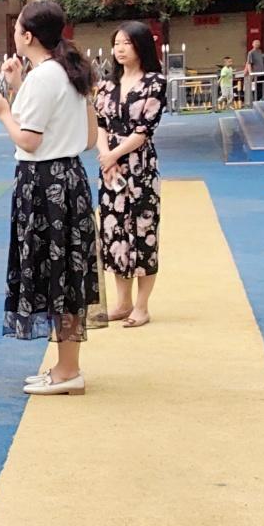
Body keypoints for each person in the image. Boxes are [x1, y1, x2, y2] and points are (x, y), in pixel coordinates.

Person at [0, 1, 102, 397]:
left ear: (28, 35)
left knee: (55, 274)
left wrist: (2, 110)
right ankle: (66, 366)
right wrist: (18, 86)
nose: (15, 34)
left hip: (43, 182)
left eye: (17, 28)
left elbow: (29, 139)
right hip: (69, 178)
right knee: (65, 272)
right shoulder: (66, 71)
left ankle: (68, 370)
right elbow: (89, 137)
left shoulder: (45, 76)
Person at [94, 23, 168, 329]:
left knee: (143, 233)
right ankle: (122, 302)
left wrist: (114, 155)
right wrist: (106, 158)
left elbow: (144, 130)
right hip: (110, 171)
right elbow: (99, 124)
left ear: (141, 46)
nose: (120, 48)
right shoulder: (106, 85)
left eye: (126, 42)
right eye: (116, 43)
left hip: (140, 168)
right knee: (114, 233)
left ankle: (141, 306)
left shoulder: (155, 83)